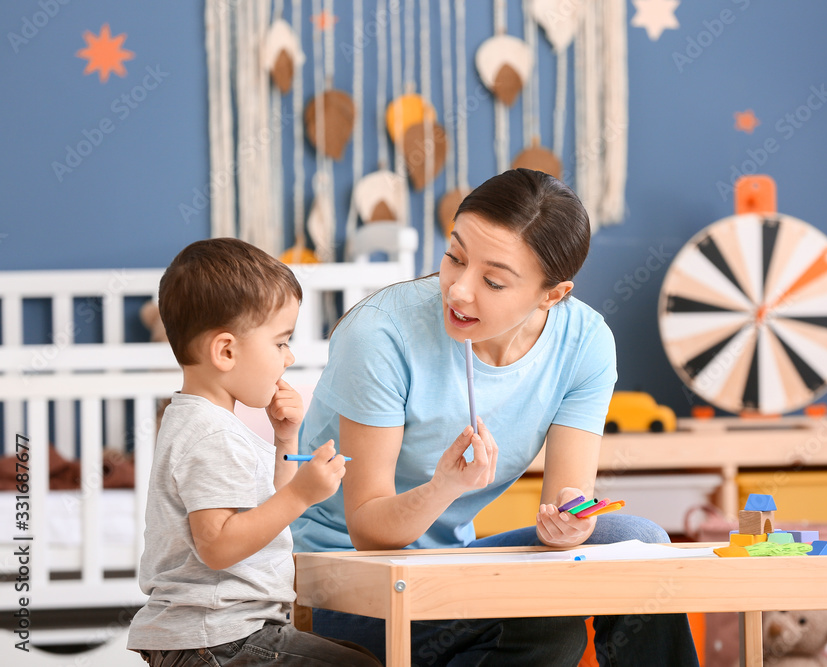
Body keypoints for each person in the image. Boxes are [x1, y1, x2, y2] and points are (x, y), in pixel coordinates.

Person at [292, 169, 699, 666]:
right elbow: (368, 532)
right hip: (344, 578)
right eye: (454, 257)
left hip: (450, 567)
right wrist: (443, 486)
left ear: (552, 294)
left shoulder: (585, 343)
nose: (458, 290)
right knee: (549, 623)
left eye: (493, 281)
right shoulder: (381, 334)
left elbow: (567, 502)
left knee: (637, 544)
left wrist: (569, 523)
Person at [127, 238, 382, 667]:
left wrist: (286, 440)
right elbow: (219, 546)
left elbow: (260, 511)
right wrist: (301, 494)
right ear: (225, 351)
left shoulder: (204, 422)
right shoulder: (210, 435)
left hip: (222, 634)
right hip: (216, 638)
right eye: (280, 342)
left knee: (358, 657)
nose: (289, 356)